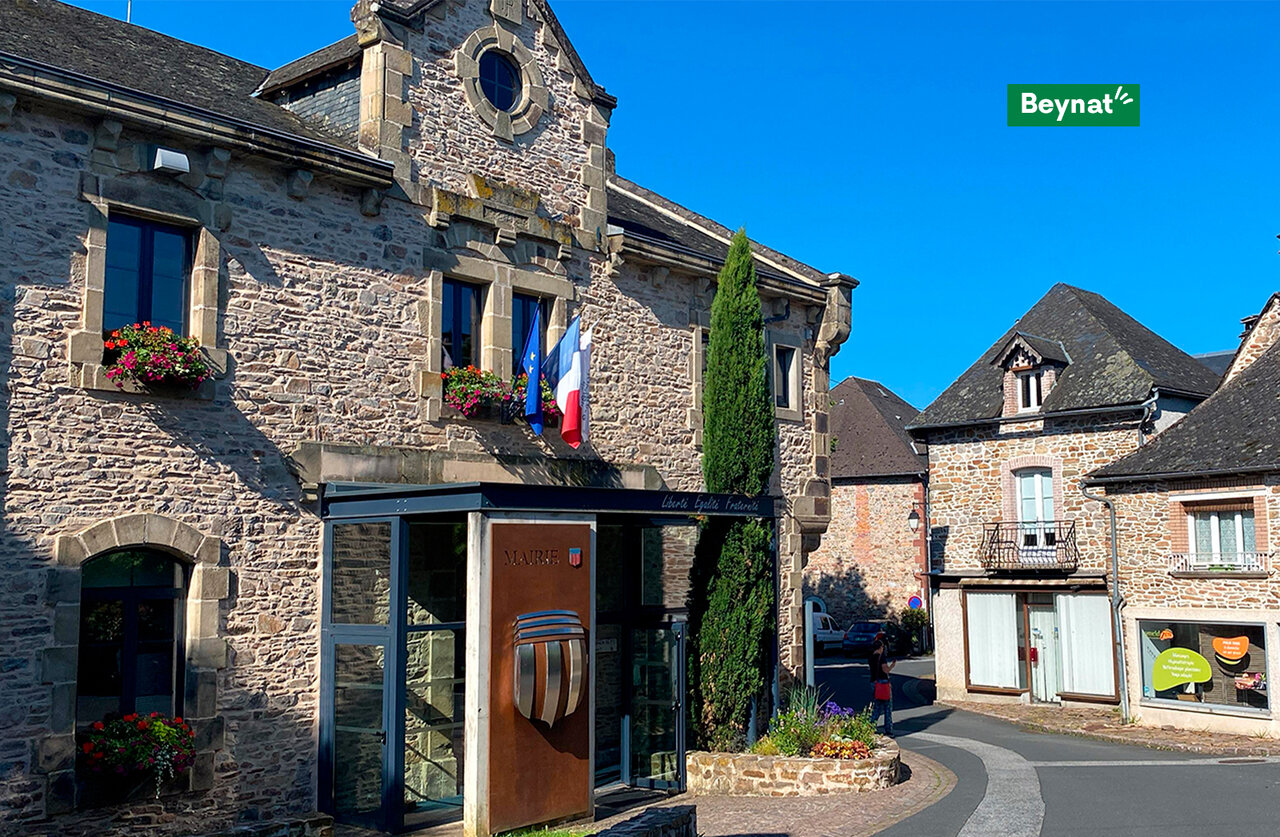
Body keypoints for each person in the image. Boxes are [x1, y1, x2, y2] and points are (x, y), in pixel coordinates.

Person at [868, 632, 895, 736]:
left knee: (877, 706)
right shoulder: (881, 657)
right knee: (887, 707)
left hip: (874, 682)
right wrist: (892, 666)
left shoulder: (871, 657)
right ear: (880, 648)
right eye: (883, 647)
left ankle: (870, 726)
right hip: (883, 683)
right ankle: (888, 729)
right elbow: (885, 670)